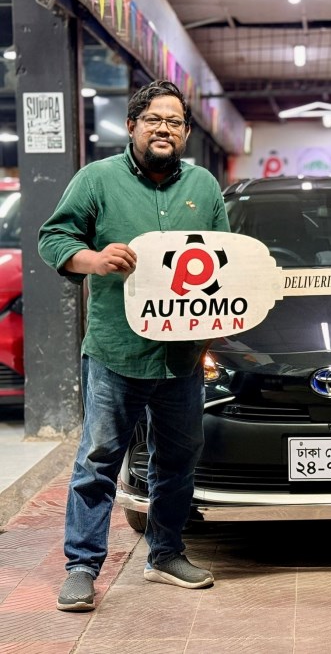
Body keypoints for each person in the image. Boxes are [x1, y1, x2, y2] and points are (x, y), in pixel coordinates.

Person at [39, 80, 231, 612]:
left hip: (182, 356)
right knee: (99, 459)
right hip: (116, 352)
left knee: (178, 459)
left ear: (186, 132)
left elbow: (224, 259)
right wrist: (94, 260)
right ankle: (82, 567)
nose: (164, 129)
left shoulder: (204, 186)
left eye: (174, 122)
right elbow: (54, 237)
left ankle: (165, 554)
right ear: (132, 126)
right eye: (154, 120)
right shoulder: (96, 179)